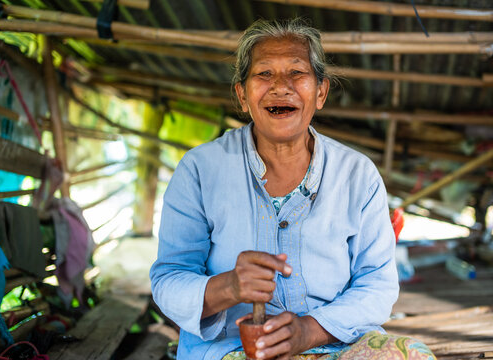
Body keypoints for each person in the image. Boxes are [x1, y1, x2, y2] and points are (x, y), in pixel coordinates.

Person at [150, 19, 435, 360]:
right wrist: (229, 286)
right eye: (264, 74)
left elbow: (377, 285)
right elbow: (168, 281)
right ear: (242, 95)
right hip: (231, 349)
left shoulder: (358, 175)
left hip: (334, 344)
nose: (280, 86)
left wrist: (307, 332)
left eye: (297, 73)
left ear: (320, 93)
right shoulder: (200, 169)